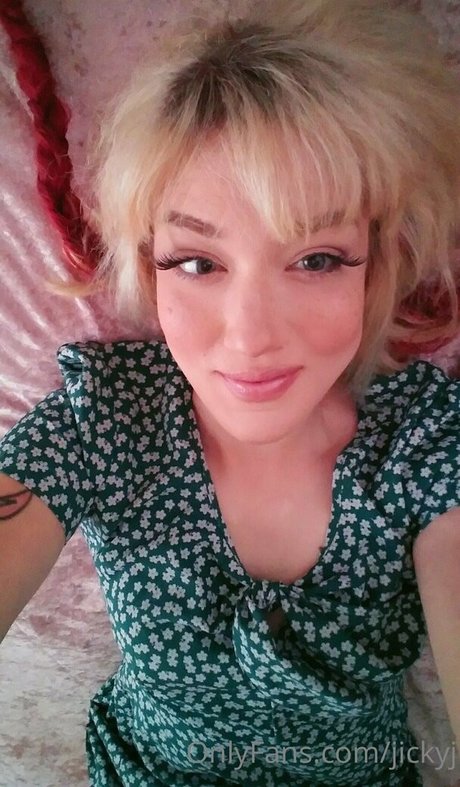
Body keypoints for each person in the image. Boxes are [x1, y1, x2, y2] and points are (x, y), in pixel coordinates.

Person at [0, 0, 459, 784]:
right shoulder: (103, 418)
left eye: (316, 259)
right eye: (197, 262)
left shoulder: (422, 443)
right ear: (149, 268)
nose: (249, 336)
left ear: (376, 264)